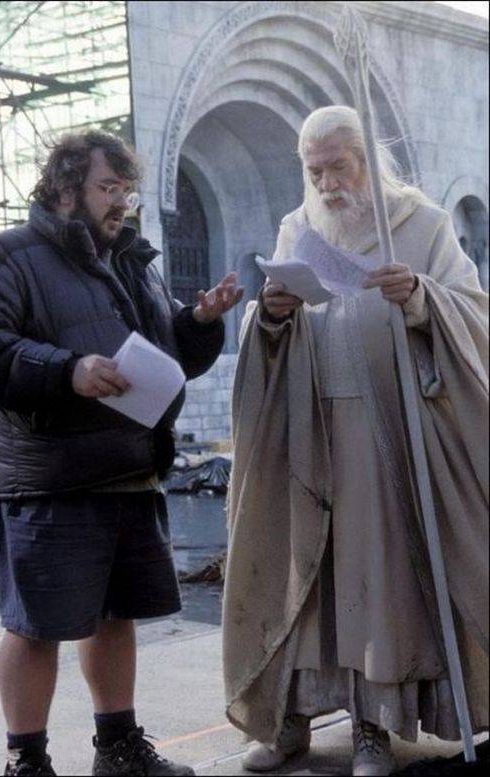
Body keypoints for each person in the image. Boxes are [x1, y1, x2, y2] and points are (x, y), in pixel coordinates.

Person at [222, 106, 488, 776]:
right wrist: (272, 314)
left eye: (338, 167)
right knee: (301, 579)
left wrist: (422, 296)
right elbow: (274, 318)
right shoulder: (298, 225)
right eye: (315, 171)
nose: (328, 184)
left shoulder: (422, 224)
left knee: (375, 580)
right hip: (307, 429)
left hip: (385, 431)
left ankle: (373, 724)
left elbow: (474, 314)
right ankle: (288, 719)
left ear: (368, 160)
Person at [0, 129, 243, 777]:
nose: (122, 202)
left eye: (127, 190)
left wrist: (197, 324)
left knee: (117, 615)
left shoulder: (132, 261)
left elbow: (166, 356)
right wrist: (68, 370)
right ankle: (26, 762)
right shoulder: (6, 256)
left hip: (129, 471)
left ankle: (118, 749)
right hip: (51, 480)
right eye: (108, 188)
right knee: (34, 626)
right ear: (66, 188)